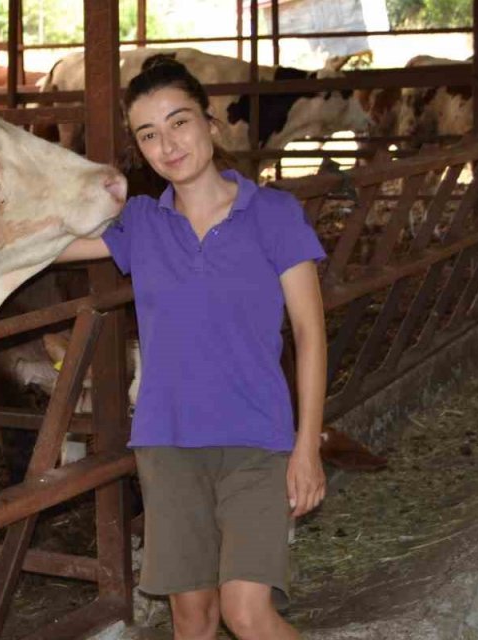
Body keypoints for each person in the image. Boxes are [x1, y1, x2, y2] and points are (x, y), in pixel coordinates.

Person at [58, 55, 328, 639]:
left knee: (246, 612)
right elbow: (43, 246)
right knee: (192, 616)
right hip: (168, 443)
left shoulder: (275, 215)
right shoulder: (139, 223)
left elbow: (310, 334)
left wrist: (307, 447)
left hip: (256, 443)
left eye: (179, 123)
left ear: (211, 121)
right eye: (148, 134)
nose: (167, 145)